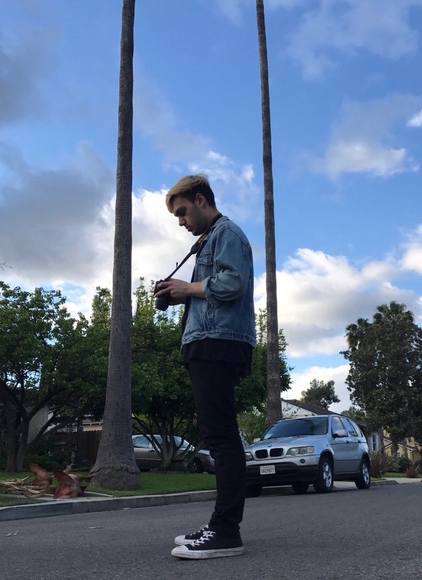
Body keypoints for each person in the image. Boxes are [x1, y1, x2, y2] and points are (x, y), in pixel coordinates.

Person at [155, 174, 256, 560]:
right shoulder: (211, 239)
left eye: (182, 212)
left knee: (222, 437)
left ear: (200, 200)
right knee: (218, 436)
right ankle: (220, 525)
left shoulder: (227, 233)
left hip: (219, 343)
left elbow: (232, 283)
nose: (181, 221)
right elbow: (214, 290)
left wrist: (188, 288)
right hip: (210, 342)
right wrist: (181, 295)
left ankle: (226, 531)